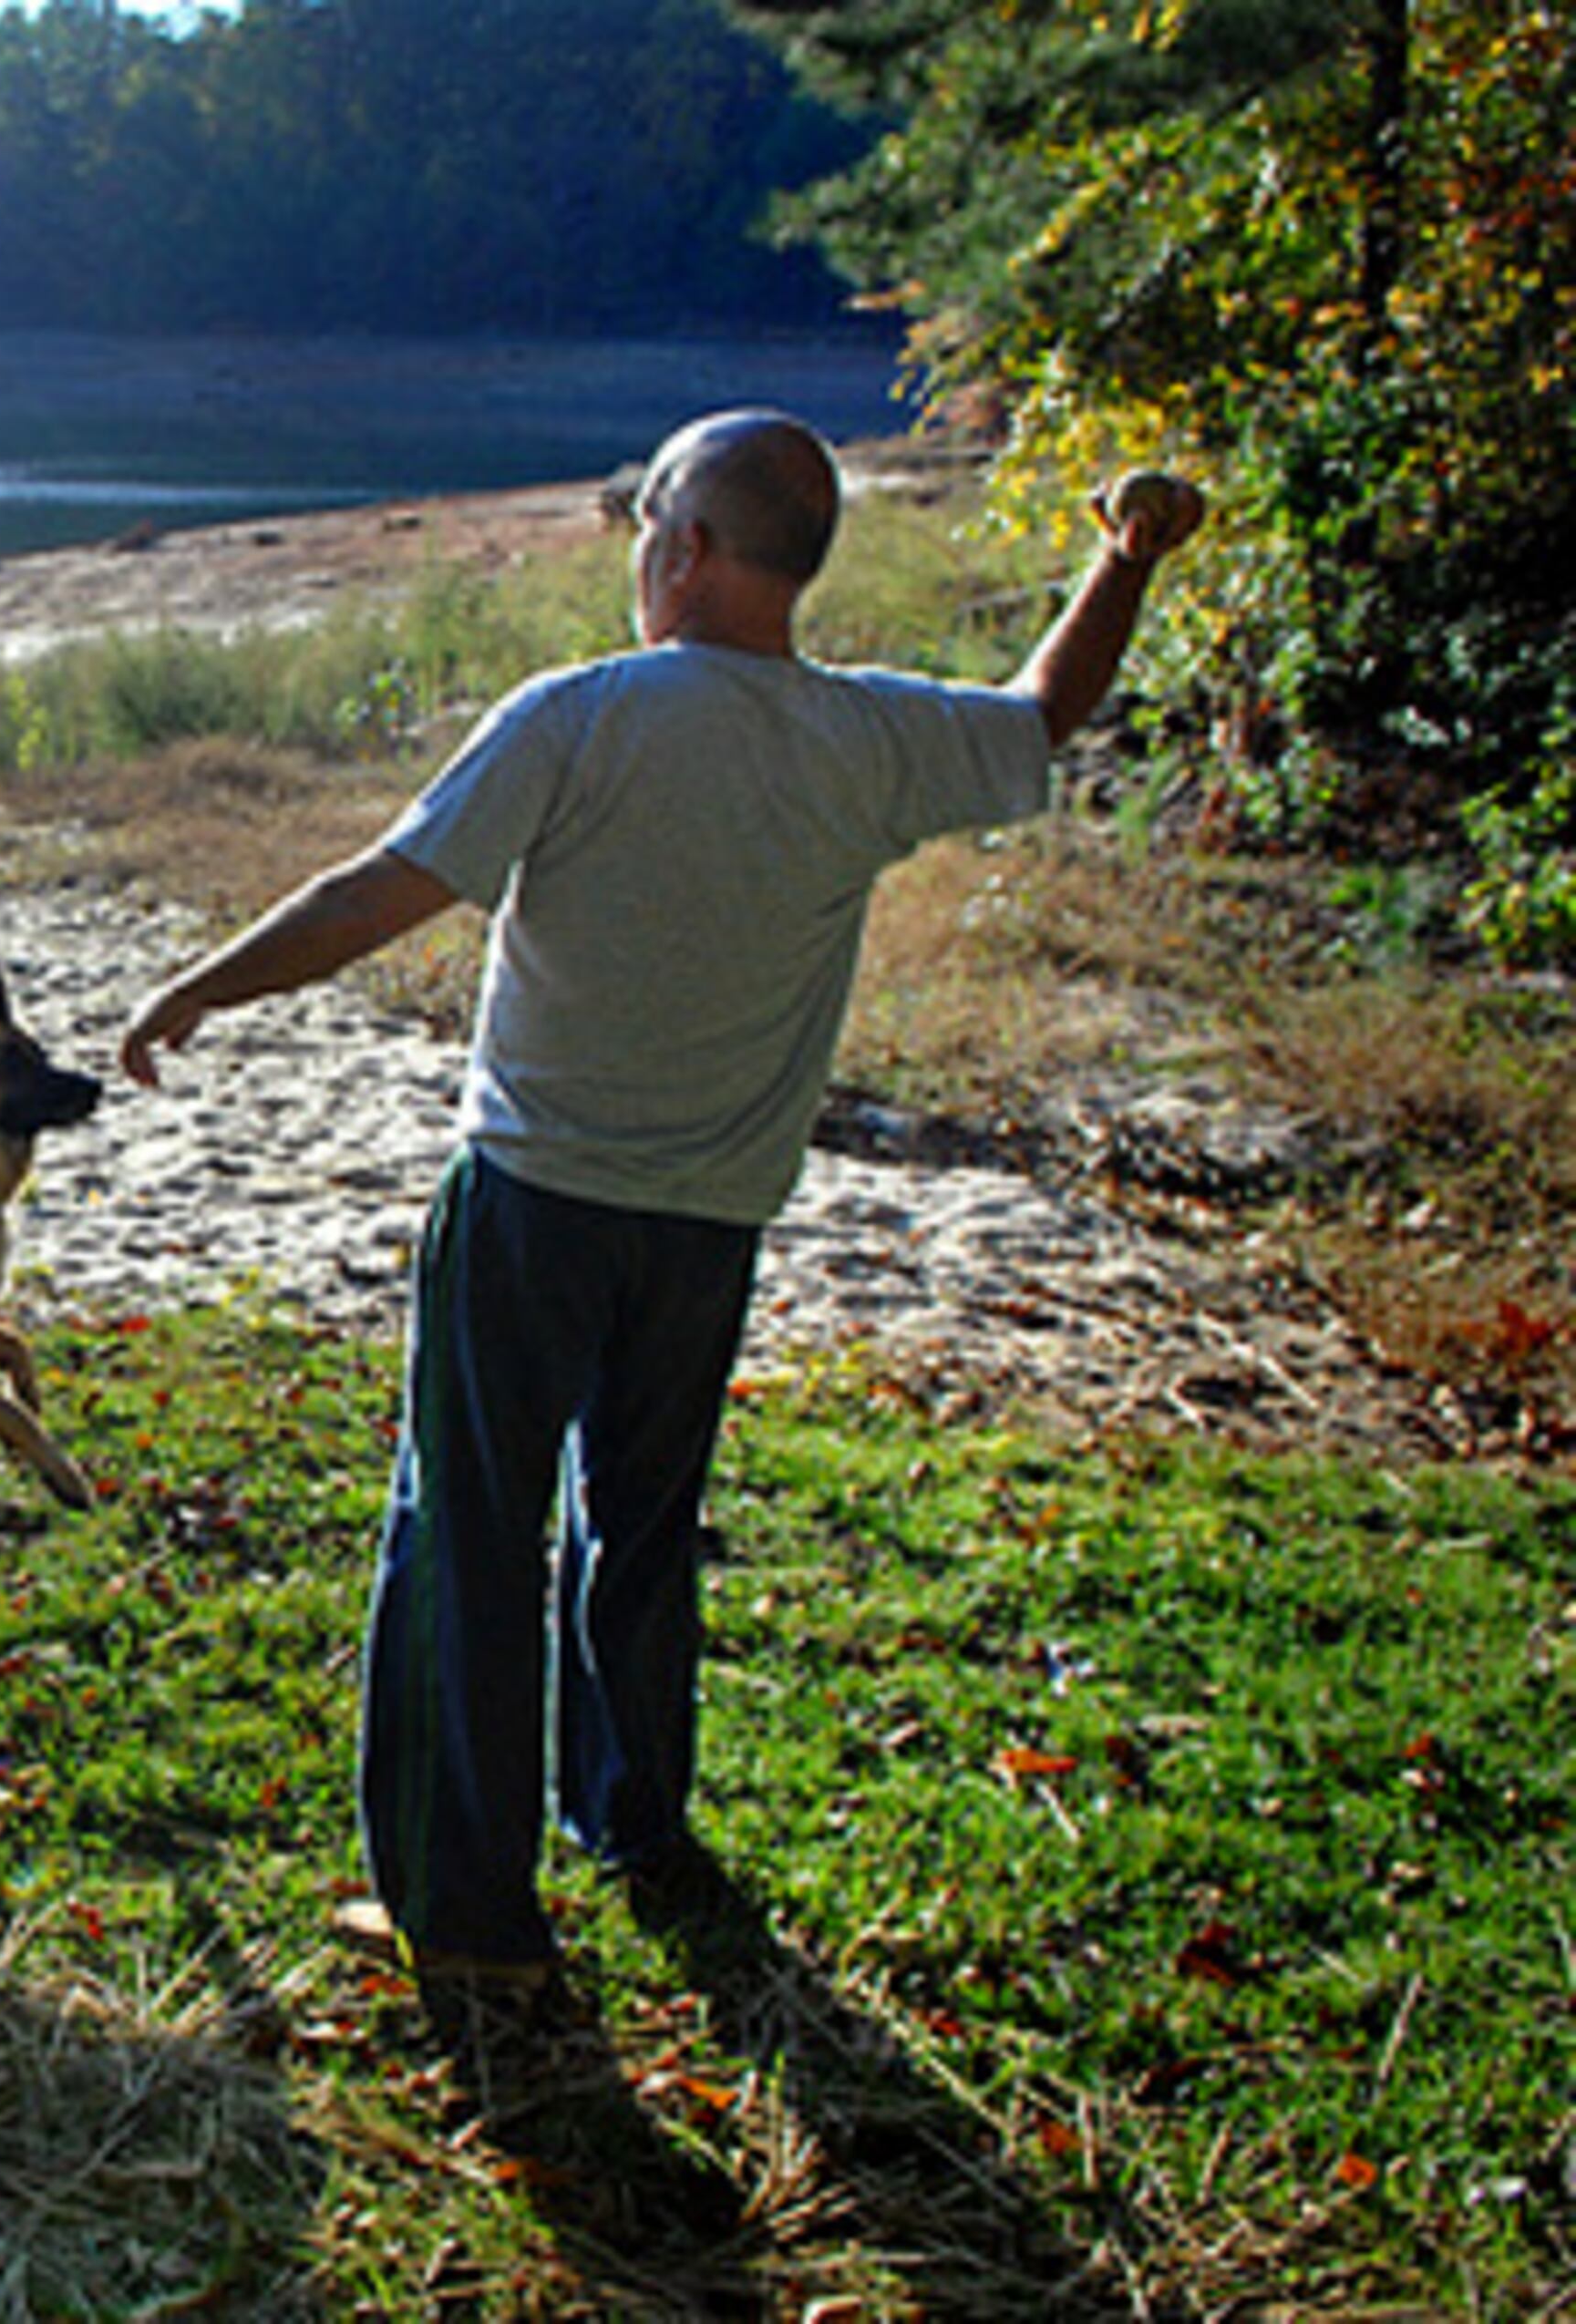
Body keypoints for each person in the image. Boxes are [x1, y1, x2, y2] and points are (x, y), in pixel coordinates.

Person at [115, 409, 1204, 1991]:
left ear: (688, 547)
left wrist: (196, 992)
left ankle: (471, 1916)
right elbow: (1046, 713)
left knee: (468, 1536)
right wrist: (1125, 559)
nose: (639, 545)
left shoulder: (578, 716)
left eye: (651, 520)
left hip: (534, 1201)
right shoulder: (871, 738)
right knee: (639, 1527)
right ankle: (634, 1821)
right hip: (711, 1223)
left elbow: (377, 890)